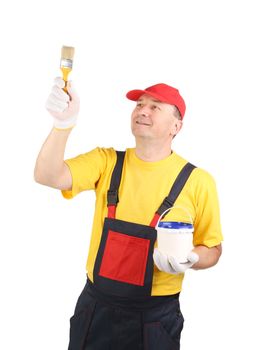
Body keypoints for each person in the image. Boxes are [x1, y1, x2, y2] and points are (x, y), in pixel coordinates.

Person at [34, 78, 223, 350]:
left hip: (155, 318)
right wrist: (63, 125)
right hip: (95, 308)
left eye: (155, 107)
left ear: (176, 126)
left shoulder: (197, 181)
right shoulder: (107, 161)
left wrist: (192, 258)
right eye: (139, 104)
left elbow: (213, 248)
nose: (142, 110)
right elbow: (46, 175)